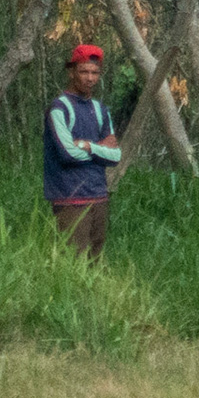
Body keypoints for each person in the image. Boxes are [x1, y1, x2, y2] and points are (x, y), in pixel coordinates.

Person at [44, 43, 121, 260]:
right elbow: (67, 153)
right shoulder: (59, 108)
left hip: (99, 195)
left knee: (96, 261)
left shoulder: (101, 110)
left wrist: (87, 146)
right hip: (69, 198)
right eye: (84, 72)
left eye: (94, 72)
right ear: (71, 72)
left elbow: (116, 156)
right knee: (73, 261)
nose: (89, 78)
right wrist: (100, 149)